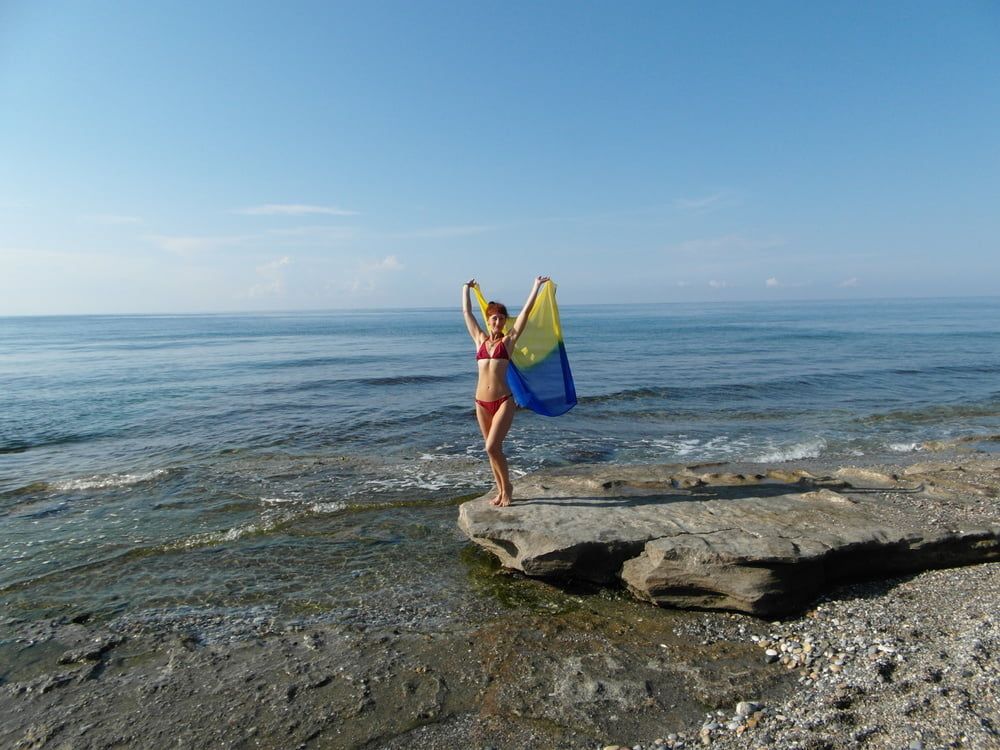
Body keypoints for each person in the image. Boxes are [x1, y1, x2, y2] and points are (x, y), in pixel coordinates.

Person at [462, 276, 550, 506]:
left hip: (503, 401)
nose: (498, 322)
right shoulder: (479, 340)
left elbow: (525, 315)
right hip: (481, 402)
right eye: (494, 318)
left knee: (491, 446)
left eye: (502, 318)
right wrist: (465, 289)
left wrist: (536, 287)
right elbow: (467, 314)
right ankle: (500, 490)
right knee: (492, 451)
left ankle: (508, 487)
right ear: (488, 320)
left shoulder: (508, 342)